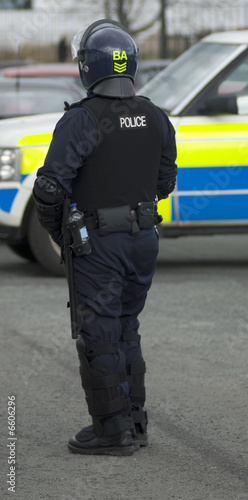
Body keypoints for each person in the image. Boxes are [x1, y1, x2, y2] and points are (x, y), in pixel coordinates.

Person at [32, 19, 177, 457]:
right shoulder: (155, 114)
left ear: (86, 68)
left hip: (97, 243)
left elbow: (50, 187)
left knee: (98, 335)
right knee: (126, 327)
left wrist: (57, 228)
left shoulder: (81, 119)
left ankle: (112, 433)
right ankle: (134, 423)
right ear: (129, 65)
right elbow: (165, 182)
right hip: (143, 239)